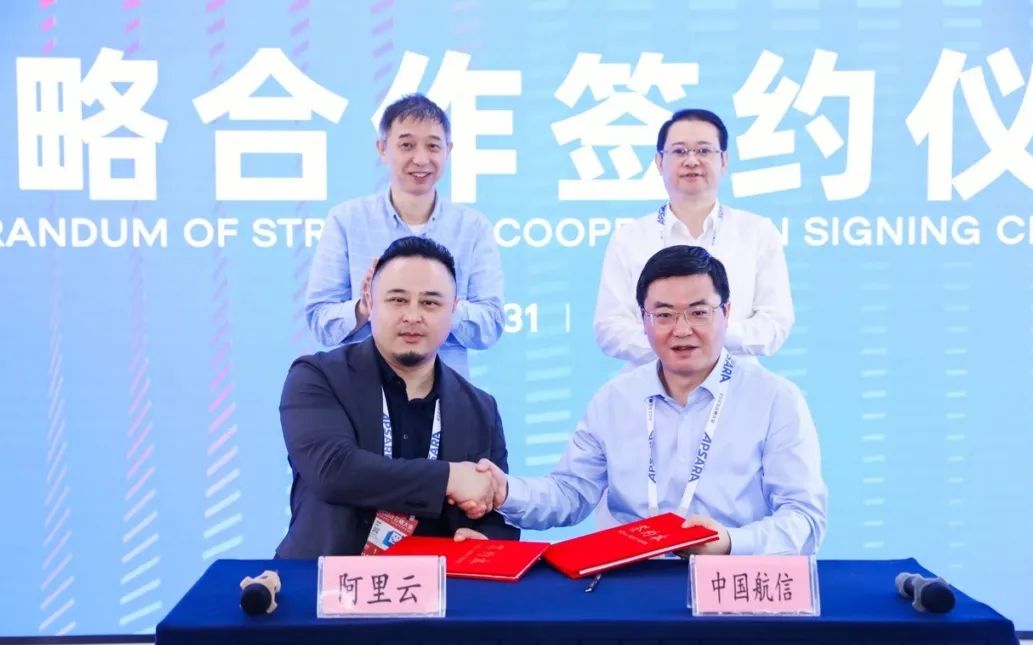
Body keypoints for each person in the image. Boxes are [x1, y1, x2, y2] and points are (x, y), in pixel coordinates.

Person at [469, 245, 825, 555]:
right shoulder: (615, 399)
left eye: (699, 312)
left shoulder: (774, 399)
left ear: (726, 313)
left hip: (729, 580)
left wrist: (731, 542)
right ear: (643, 319)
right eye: (664, 315)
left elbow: (804, 519)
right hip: (632, 580)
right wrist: (505, 491)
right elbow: (570, 493)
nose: (682, 330)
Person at [276, 236, 518, 558]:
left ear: (453, 309)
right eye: (398, 300)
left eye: (430, 303)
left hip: (436, 584)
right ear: (369, 300)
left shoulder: (480, 407)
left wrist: (486, 538)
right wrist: (448, 479)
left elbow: (496, 509)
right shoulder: (317, 377)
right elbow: (334, 471)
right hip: (322, 580)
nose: (413, 316)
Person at [305, 93, 504, 379]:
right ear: (382, 149)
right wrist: (365, 307)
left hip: (447, 392)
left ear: (448, 150)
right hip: (362, 389)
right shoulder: (346, 220)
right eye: (407, 145)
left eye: (433, 146)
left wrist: (445, 306)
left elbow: (491, 326)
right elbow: (319, 320)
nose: (421, 159)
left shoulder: (473, 228)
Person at [593, 108, 794, 366]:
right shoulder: (630, 238)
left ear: (724, 160)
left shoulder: (757, 232)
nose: (691, 160)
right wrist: (673, 345)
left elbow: (775, 324)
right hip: (650, 384)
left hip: (737, 382)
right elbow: (610, 328)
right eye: (679, 151)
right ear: (659, 161)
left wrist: (708, 336)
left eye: (703, 150)